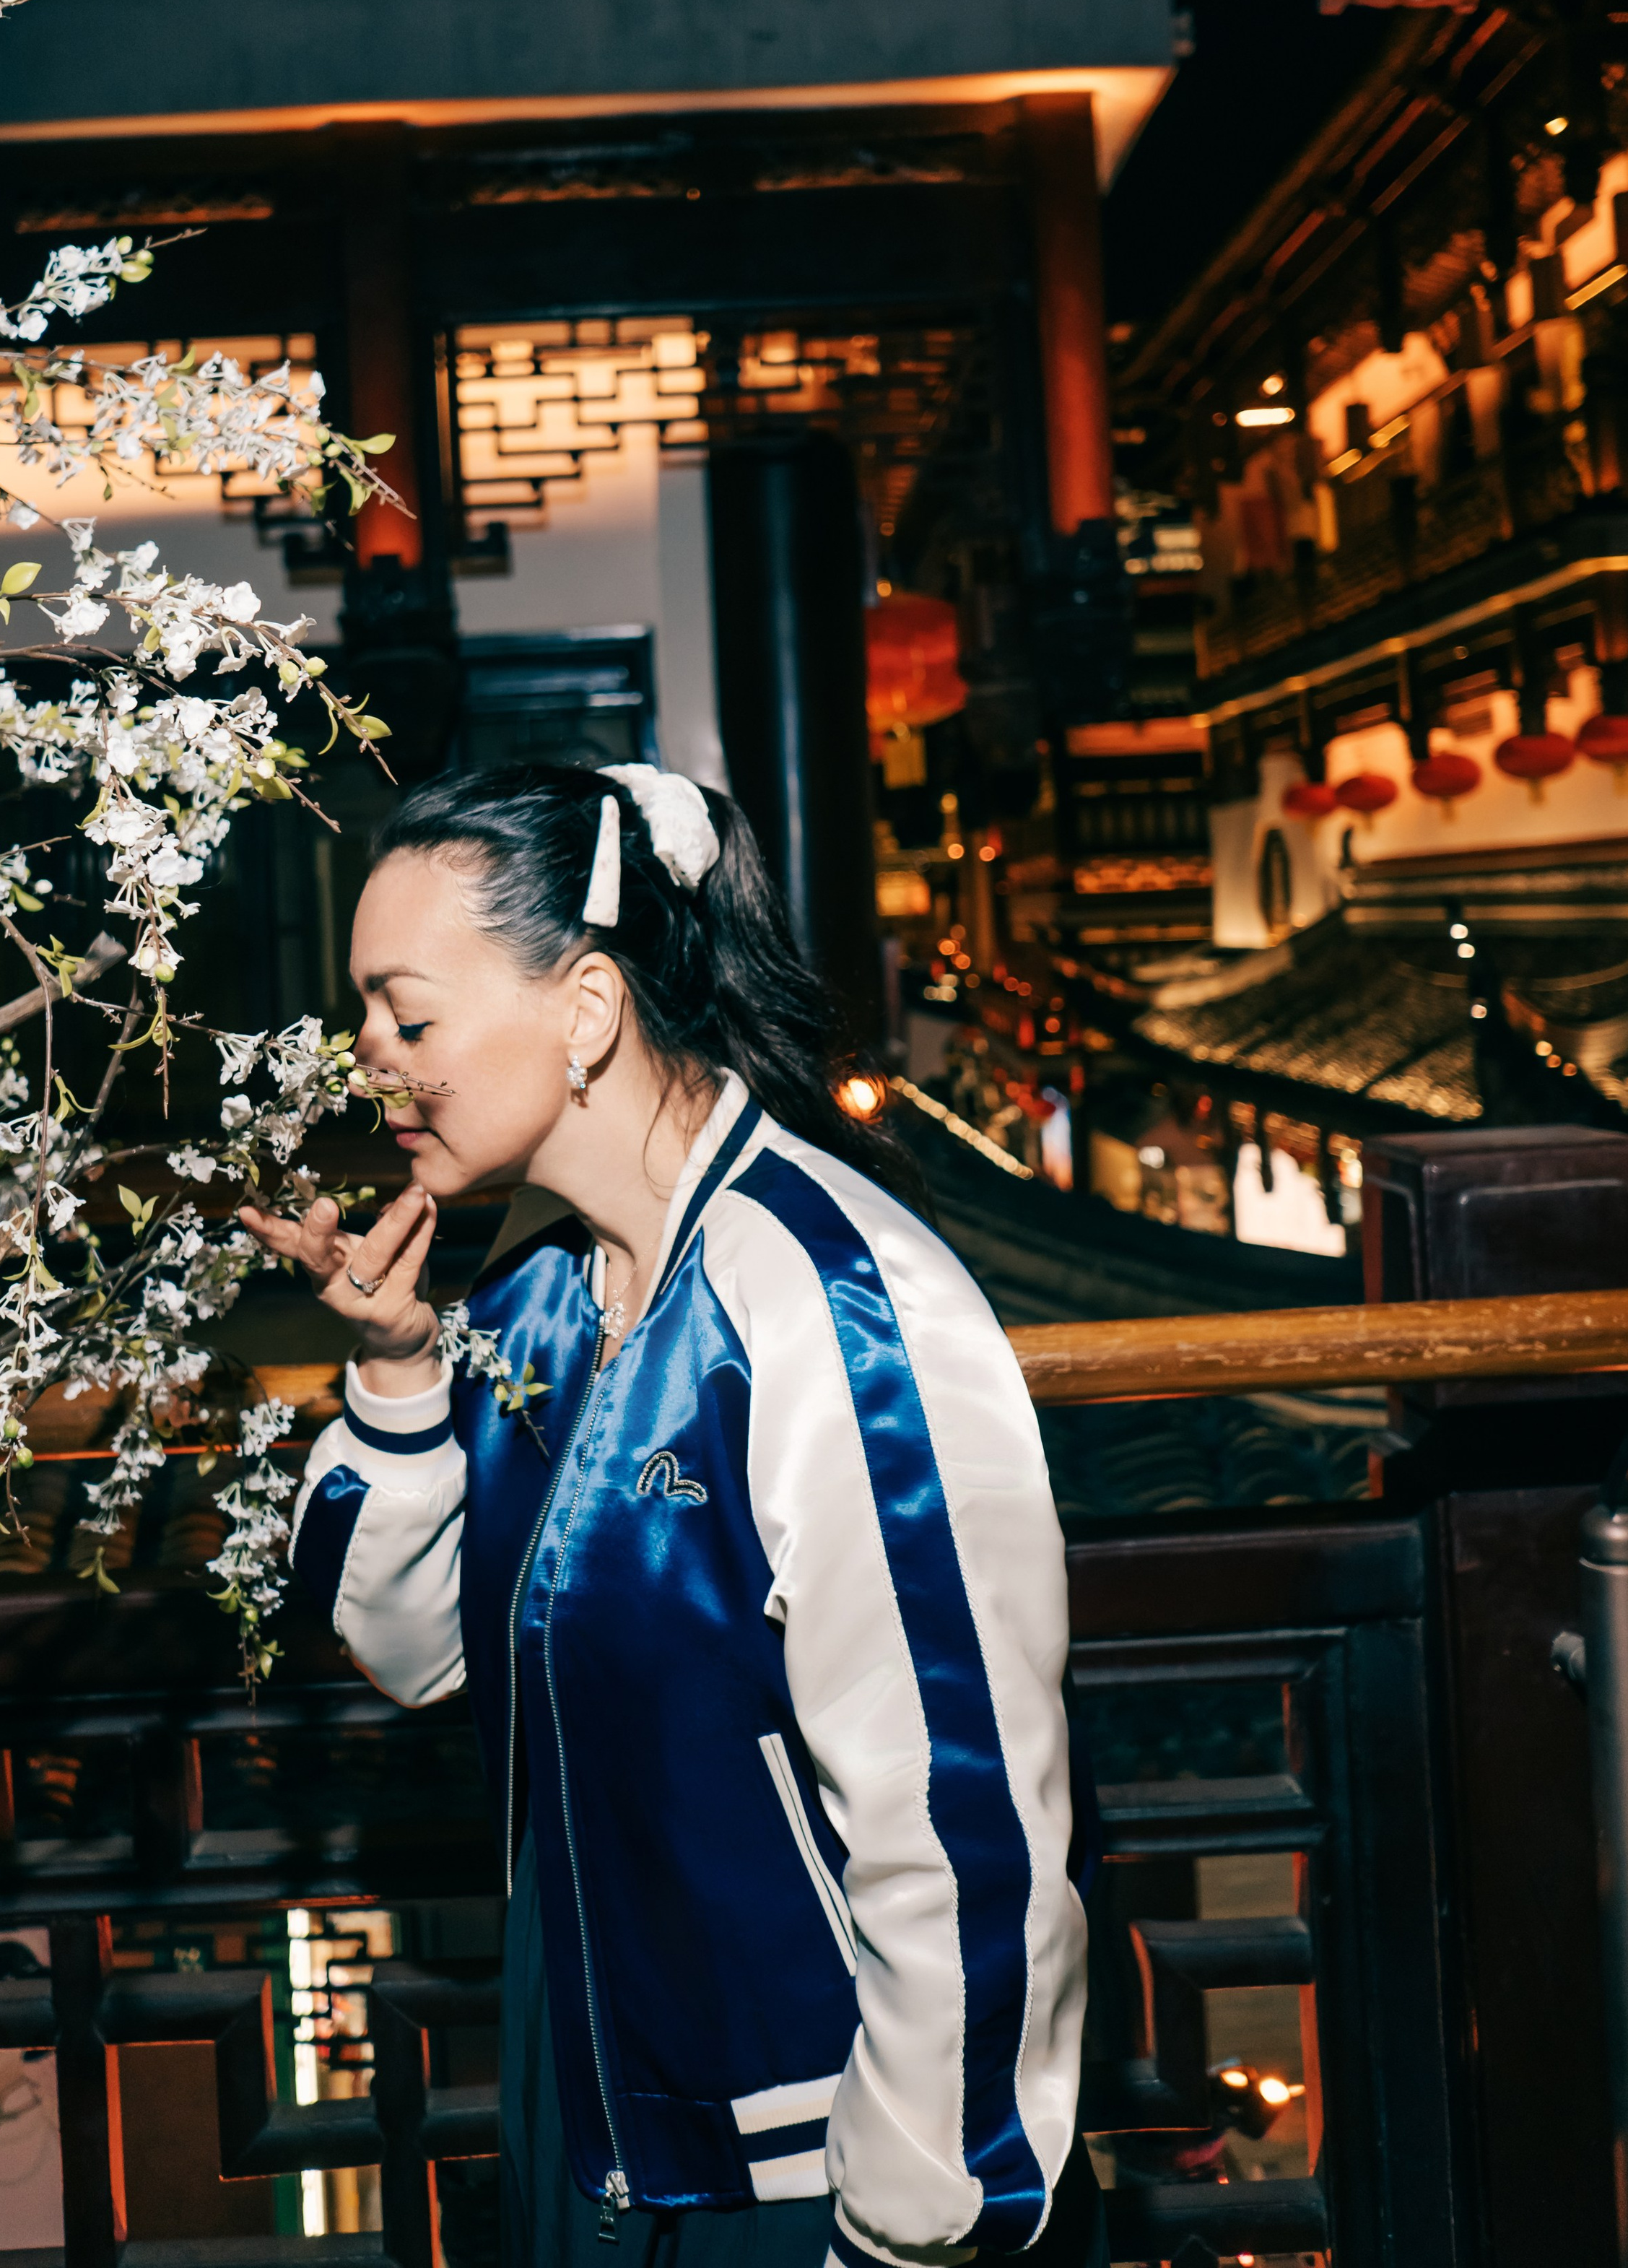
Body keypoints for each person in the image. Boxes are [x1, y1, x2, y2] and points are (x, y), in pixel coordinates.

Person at [240, 761, 1105, 2268]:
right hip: (596, 2136)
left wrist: (907, 2220)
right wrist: (393, 1371)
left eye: (409, 1017)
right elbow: (416, 1648)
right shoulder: (536, 1299)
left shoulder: (827, 1302)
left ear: (584, 1012)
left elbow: (961, 1817)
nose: (365, 1061)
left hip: (804, 2174)